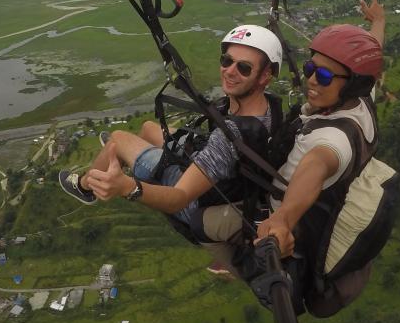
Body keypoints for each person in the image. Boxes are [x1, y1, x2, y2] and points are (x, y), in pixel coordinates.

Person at [59, 24, 283, 244]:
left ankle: (85, 186)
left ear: (265, 77)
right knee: (148, 127)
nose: (230, 71)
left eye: (244, 68)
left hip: (197, 201)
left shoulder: (229, 138)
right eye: (226, 60)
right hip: (231, 179)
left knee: (118, 139)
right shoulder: (269, 106)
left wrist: (127, 186)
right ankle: (123, 153)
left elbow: (180, 198)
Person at [256, 0, 386, 262]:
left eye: (324, 76)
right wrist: (378, 23)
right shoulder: (361, 100)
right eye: (309, 68)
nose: (312, 80)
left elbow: (316, 166)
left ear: (352, 84)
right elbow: (369, 57)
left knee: (198, 215)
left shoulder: (332, 142)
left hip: (269, 217)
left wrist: (282, 219)